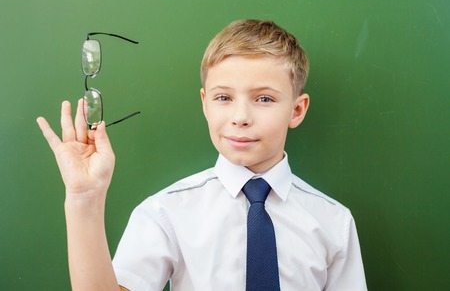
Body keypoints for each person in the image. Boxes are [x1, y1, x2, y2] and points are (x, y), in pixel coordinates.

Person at [37, 19, 367, 291]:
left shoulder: (333, 223)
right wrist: (84, 200)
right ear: (204, 104)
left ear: (296, 110)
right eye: (223, 97)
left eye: (264, 99)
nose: (240, 116)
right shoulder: (165, 212)